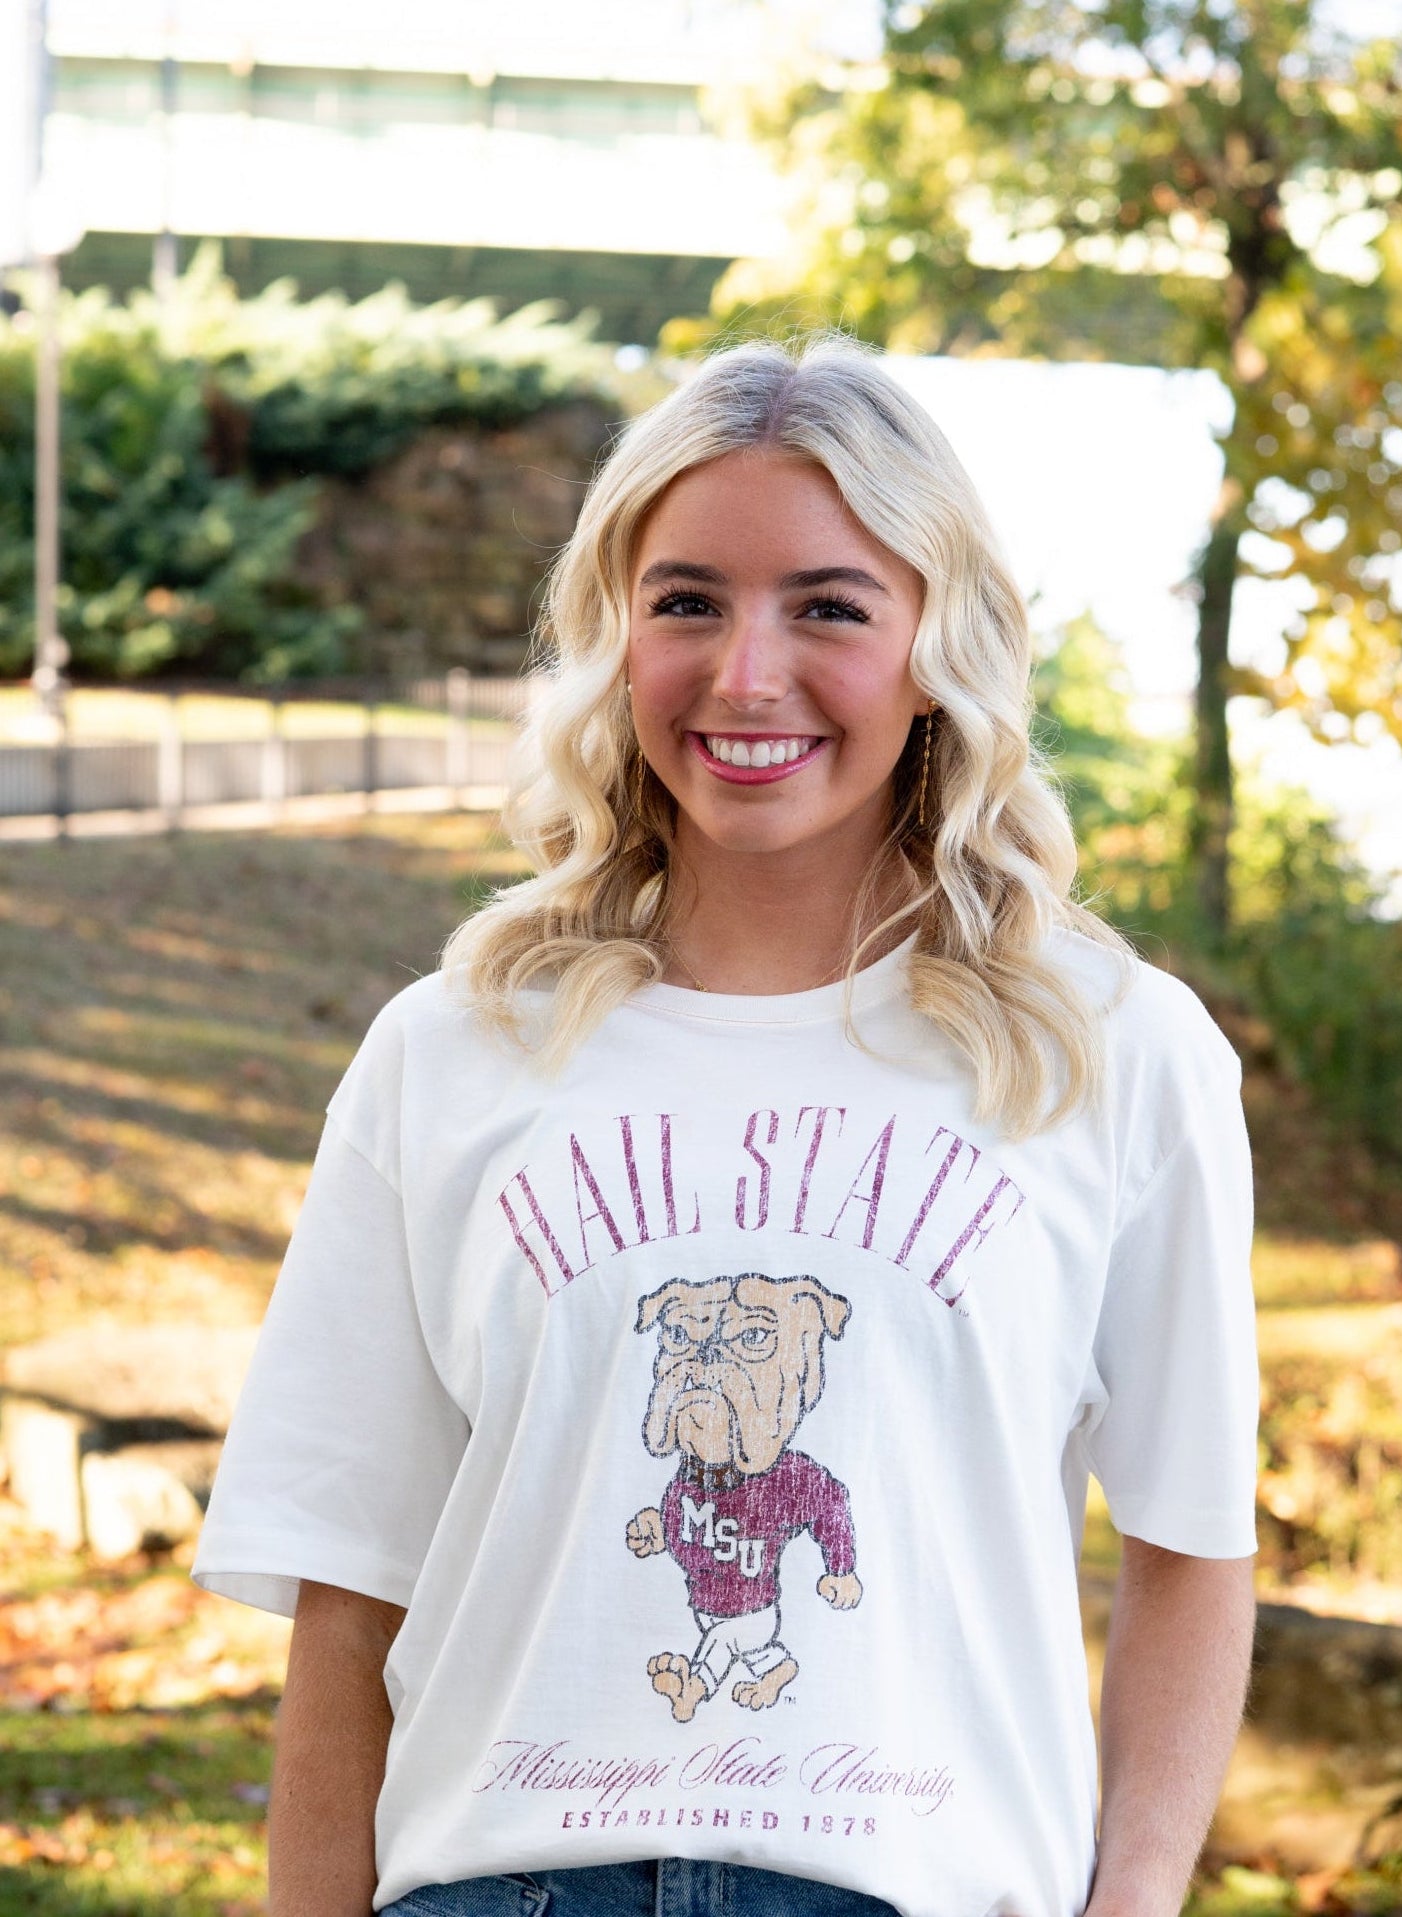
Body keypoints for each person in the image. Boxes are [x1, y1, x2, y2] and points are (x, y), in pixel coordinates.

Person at [193, 335, 1258, 1917]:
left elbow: (1188, 1547)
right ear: (615, 639)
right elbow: (348, 1594)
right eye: (685, 600)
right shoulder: (452, 1053)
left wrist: (1132, 1899)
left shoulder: (1109, 1053)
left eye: (828, 605)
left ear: (936, 642)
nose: (744, 674)